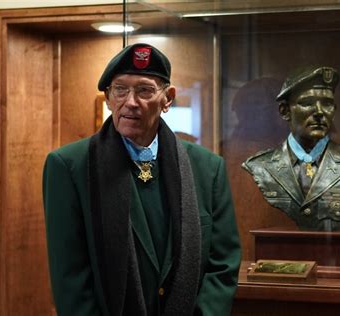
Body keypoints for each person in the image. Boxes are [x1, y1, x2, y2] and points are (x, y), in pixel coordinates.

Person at [43, 43, 241, 316]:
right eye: (120, 89)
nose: (130, 102)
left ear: (167, 98)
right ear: (109, 98)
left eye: (144, 90)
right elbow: (70, 278)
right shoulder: (69, 167)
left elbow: (223, 265)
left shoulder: (207, 169)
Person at [242, 66, 340, 231]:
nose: (319, 112)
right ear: (285, 111)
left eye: (327, 104)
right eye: (307, 103)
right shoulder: (259, 167)